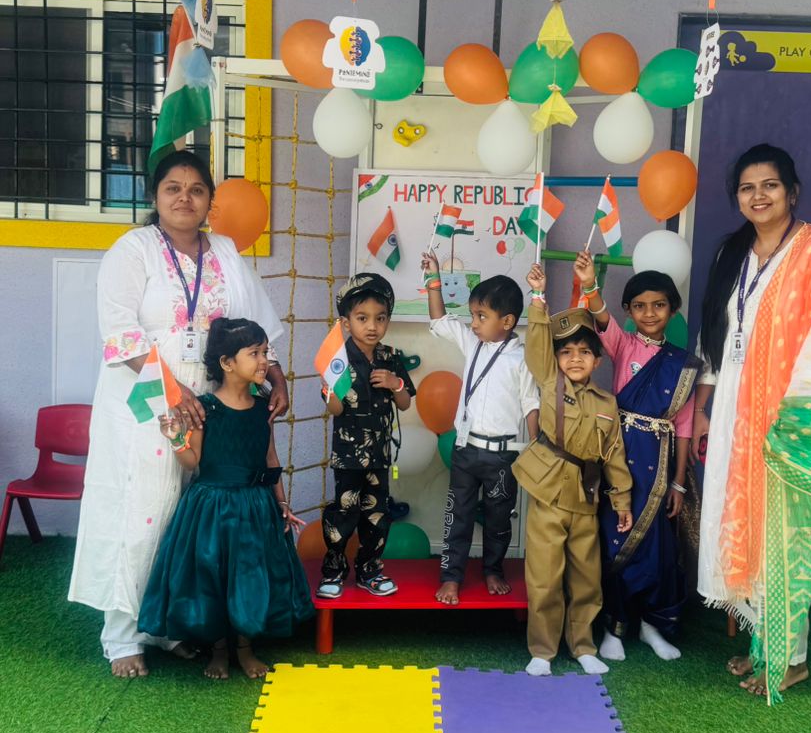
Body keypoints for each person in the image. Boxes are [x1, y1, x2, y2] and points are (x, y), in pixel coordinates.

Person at [68, 150, 289, 678]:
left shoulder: (226, 251)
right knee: (144, 508)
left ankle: (169, 626)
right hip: (145, 397)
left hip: (212, 399)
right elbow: (120, 335)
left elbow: (254, 326)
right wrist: (172, 391)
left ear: (210, 200)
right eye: (173, 188)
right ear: (155, 195)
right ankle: (123, 634)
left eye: (196, 189)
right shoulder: (133, 249)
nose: (185, 198)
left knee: (192, 516)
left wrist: (275, 374)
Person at [694, 142, 811, 707]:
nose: (759, 196)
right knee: (746, 525)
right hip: (735, 414)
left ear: (792, 192)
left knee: (786, 534)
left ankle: (791, 660)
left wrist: (795, 415)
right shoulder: (732, 253)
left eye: (769, 185)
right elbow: (716, 336)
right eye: (747, 188)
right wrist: (705, 405)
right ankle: (764, 645)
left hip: (792, 421)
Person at [137, 319, 313, 679]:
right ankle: (218, 651)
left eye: (264, 352)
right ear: (227, 363)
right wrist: (176, 439)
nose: (264, 361)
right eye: (255, 354)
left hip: (255, 507)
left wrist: (282, 503)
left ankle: (245, 649)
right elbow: (193, 462)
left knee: (249, 576)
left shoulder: (264, 407)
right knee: (212, 577)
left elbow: (270, 458)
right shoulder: (205, 408)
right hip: (211, 508)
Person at [574, 253, 698, 663]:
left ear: (672, 310)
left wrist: (678, 482)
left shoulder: (682, 365)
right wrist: (589, 284)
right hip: (619, 457)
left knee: (656, 547)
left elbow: (683, 427)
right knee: (615, 539)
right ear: (629, 311)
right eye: (640, 306)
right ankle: (614, 625)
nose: (649, 313)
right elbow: (600, 315)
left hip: (659, 466)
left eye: (659, 305)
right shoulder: (622, 344)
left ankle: (650, 625)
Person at [513, 262, 633, 676]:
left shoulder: (607, 403)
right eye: (566, 351)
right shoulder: (550, 381)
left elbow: (614, 454)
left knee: (586, 577)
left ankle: (583, 646)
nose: (575, 358)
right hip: (548, 494)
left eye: (584, 352)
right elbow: (537, 345)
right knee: (544, 576)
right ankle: (542, 651)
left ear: (598, 360)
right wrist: (538, 296)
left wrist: (622, 501)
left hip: (586, 500)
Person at [422, 252, 540, 605]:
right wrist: (433, 278)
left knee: (498, 518)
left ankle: (493, 570)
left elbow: (531, 403)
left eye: (481, 316)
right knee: (457, 515)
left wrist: (537, 446)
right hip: (465, 450)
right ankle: (451, 577)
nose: (473, 323)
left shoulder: (522, 359)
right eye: (473, 315)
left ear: (507, 321)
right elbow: (439, 319)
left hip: (503, 456)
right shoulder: (472, 343)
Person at [318, 273, 415, 599]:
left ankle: (369, 570)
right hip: (348, 457)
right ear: (346, 323)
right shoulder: (338, 360)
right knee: (344, 514)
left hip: (379, 456)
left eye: (380, 318)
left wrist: (395, 384)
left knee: (377, 516)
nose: (372, 326)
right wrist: (331, 390)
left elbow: (405, 403)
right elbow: (335, 409)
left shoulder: (390, 357)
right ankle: (333, 570)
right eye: (362, 318)